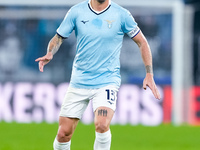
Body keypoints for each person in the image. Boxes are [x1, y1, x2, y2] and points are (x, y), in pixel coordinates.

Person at [35, 0, 161, 149]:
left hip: (107, 81)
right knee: (63, 133)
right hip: (79, 81)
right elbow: (58, 37)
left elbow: (142, 42)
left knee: (101, 124)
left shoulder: (122, 14)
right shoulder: (76, 11)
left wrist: (149, 74)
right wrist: (50, 52)